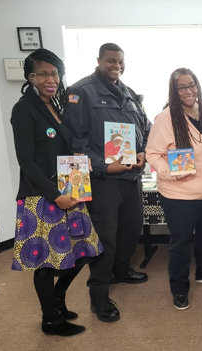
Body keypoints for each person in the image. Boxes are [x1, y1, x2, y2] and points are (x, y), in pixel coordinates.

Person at [10, 49, 103, 336]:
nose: (51, 79)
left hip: (69, 191)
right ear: (31, 77)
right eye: (44, 73)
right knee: (47, 263)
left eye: (55, 74)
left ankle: (58, 299)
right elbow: (26, 161)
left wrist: (78, 159)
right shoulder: (24, 109)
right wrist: (55, 195)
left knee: (86, 251)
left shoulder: (55, 105)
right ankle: (50, 319)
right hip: (43, 196)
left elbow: (60, 150)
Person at [65, 43, 151, 322]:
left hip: (131, 177)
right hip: (103, 180)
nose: (117, 65)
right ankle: (98, 295)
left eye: (121, 61)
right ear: (99, 60)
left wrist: (143, 152)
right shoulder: (80, 92)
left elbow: (146, 129)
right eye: (111, 60)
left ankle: (121, 271)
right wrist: (104, 165)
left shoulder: (129, 93)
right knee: (105, 238)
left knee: (130, 229)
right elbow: (74, 142)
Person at [146, 67, 202, 310]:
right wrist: (171, 173)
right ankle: (179, 287)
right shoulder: (166, 118)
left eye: (191, 85)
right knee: (181, 242)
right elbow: (153, 154)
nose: (188, 91)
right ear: (174, 91)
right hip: (179, 194)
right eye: (182, 87)